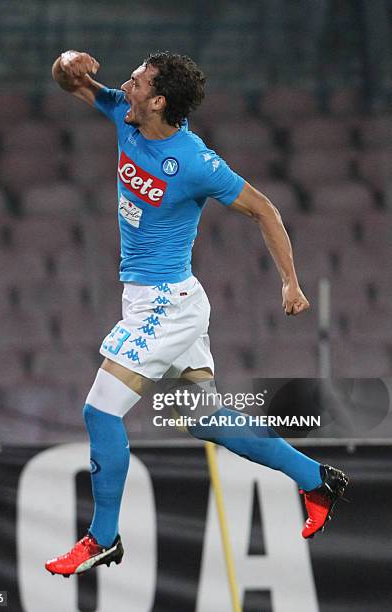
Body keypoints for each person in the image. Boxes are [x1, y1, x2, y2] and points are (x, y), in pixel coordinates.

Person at [45, 50, 348, 577]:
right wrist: (67, 63)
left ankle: (102, 537)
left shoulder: (193, 161)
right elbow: (73, 82)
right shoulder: (124, 113)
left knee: (100, 411)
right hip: (159, 300)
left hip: (165, 304)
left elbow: (264, 209)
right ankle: (316, 478)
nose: (126, 83)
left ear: (159, 100)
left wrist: (291, 283)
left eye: (136, 81)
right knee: (206, 420)